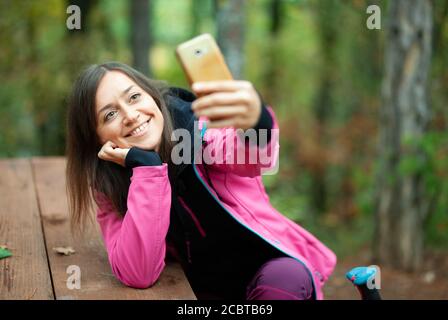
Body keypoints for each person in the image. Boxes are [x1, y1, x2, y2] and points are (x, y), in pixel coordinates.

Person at [66, 61, 336, 300]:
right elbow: (139, 272)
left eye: (135, 97)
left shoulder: (197, 133)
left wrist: (258, 121)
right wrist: (147, 170)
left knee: (282, 282)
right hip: (200, 290)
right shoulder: (109, 183)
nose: (130, 115)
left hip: (270, 273)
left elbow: (251, 155)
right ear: (97, 138)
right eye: (110, 114)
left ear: (153, 97)